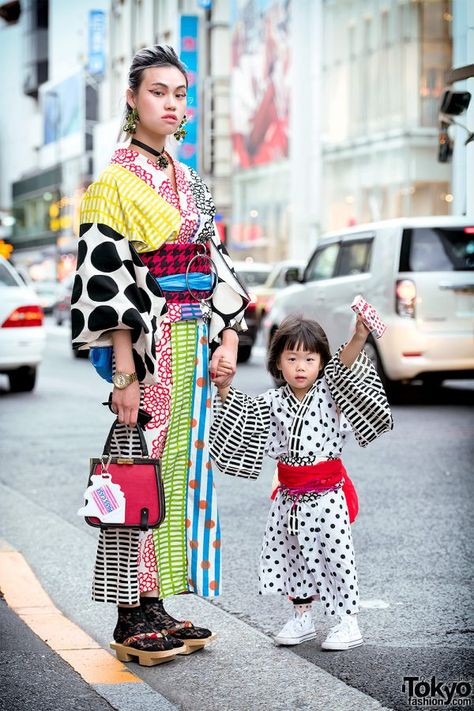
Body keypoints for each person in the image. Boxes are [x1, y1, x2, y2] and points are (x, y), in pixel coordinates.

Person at [72, 45, 249, 665]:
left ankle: (155, 600)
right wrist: (123, 370)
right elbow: (107, 280)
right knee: (135, 471)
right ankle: (127, 618)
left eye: (179, 94)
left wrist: (227, 335)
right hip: (149, 349)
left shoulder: (189, 181)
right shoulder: (111, 185)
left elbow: (216, 263)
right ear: (131, 99)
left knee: (177, 475)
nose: (172, 104)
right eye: (158, 93)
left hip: (193, 338)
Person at [209, 313, 393, 651]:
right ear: (278, 362)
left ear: (321, 362)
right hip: (290, 497)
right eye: (291, 358)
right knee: (295, 558)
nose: (300, 366)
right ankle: (302, 616)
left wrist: (358, 337)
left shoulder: (330, 392)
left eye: (309, 359)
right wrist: (223, 388)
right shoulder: (272, 401)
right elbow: (241, 414)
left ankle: (347, 620)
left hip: (328, 494)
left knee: (337, 556)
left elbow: (345, 366)